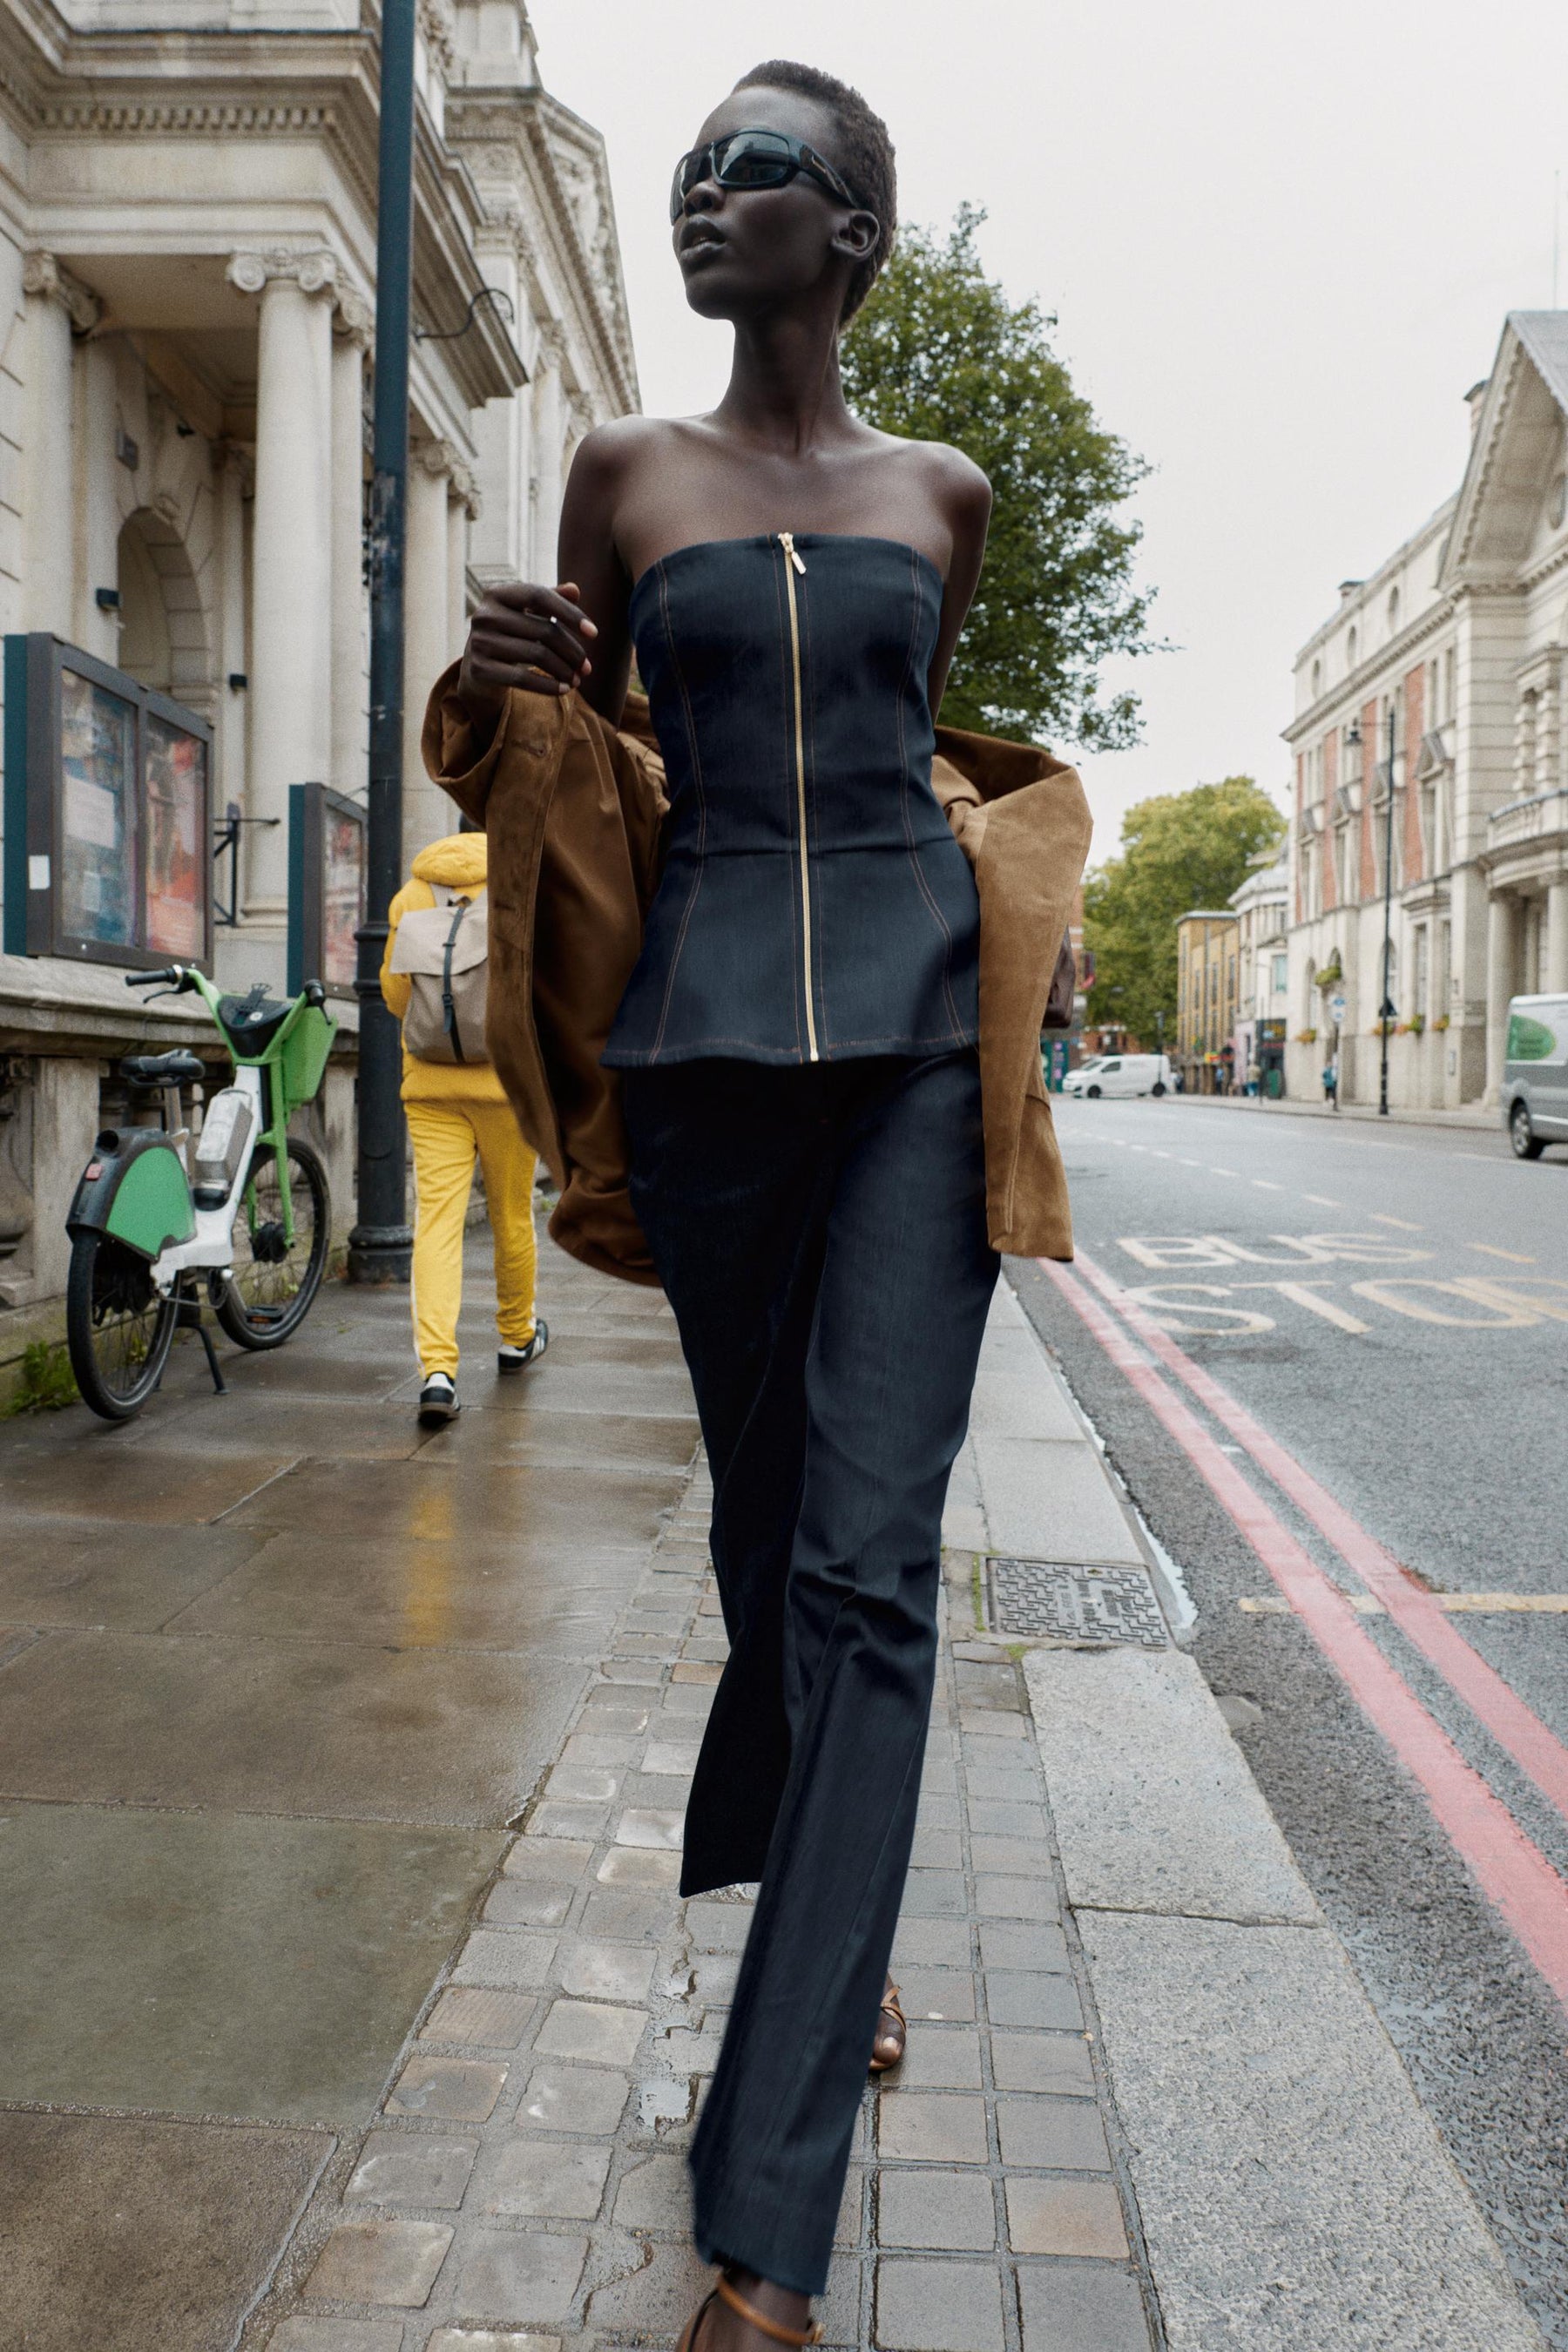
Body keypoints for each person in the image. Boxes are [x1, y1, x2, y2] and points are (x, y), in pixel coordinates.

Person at [445, 61, 1086, 2352]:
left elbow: (919, 736)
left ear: (855, 232)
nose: (711, 199)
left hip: (923, 1053)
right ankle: (843, 1913)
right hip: (706, 1062)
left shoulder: (945, 494)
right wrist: (497, 663)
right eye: (701, 173)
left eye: (759, 172)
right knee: (762, 1543)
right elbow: (571, 737)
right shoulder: (631, 470)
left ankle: (769, 2227)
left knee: (866, 1571)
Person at [380, 828, 548, 1424]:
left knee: (438, 1224)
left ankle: (438, 1372)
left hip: (430, 1088)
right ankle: (516, 1334)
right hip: (506, 1086)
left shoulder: (410, 897)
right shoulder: (517, 890)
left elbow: (397, 997)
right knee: (510, 1213)